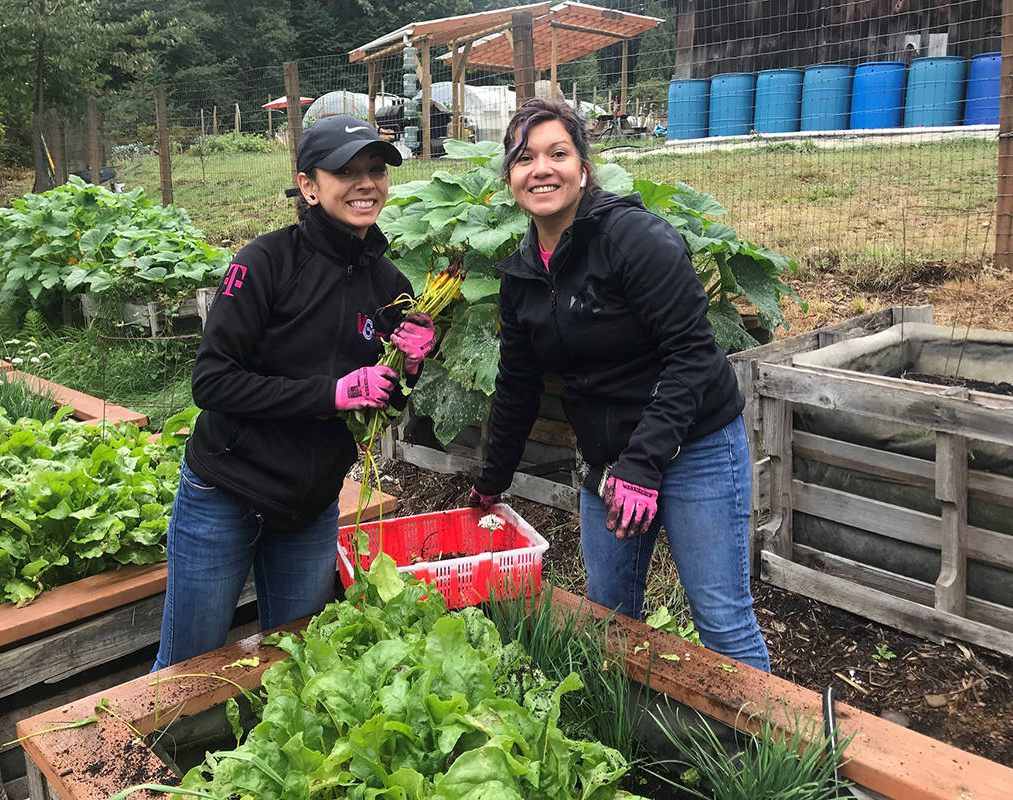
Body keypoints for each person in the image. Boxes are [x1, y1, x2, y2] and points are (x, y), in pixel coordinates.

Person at [467, 99, 770, 672]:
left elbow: (694, 355)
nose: (542, 169)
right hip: (607, 460)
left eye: (558, 153)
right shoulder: (522, 276)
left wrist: (645, 462)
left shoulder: (635, 239)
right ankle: (626, 738)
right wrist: (491, 481)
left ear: (584, 166)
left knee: (721, 619)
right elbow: (516, 387)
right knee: (609, 618)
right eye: (524, 157)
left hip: (695, 445)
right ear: (508, 176)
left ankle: (767, 757)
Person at [152, 116, 436, 671]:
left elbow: (384, 407)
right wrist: (330, 393)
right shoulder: (264, 263)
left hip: (310, 506)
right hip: (226, 490)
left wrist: (409, 368)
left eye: (375, 170)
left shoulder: (391, 287)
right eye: (345, 171)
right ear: (308, 186)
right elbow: (211, 382)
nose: (365, 183)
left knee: (291, 663)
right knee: (186, 667)